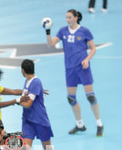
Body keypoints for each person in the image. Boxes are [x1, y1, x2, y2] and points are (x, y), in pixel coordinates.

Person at [42, 9, 104, 137]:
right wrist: (47, 31)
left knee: (90, 96)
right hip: (70, 68)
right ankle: (79, 124)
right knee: (71, 98)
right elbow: (50, 44)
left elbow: (93, 48)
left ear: (76, 18)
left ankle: (99, 124)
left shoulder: (84, 31)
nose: (67, 19)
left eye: (69, 17)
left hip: (83, 67)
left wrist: (87, 59)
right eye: (66, 17)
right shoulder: (63, 31)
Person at [19, 59, 62, 150]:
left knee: (47, 148)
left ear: (23, 70)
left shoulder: (36, 82)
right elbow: (28, 94)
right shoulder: (28, 82)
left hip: (40, 121)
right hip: (28, 122)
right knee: (25, 149)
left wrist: (17, 101)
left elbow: (27, 104)